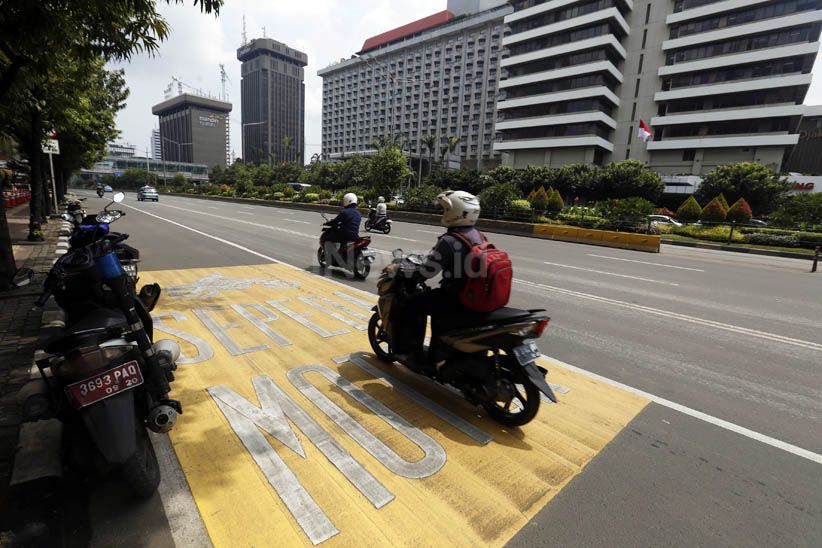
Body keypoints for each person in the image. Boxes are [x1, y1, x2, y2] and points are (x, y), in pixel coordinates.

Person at [385, 190, 483, 369]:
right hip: (473, 295)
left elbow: (426, 273)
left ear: (457, 213)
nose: (444, 213)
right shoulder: (478, 236)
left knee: (411, 304)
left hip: (455, 297)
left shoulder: (450, 240)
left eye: (446, 209)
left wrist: (398, 268)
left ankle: (412, 353)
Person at [323, 192, 362, 260]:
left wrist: (328, 223)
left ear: (346, 201)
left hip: (344, 235)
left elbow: (335, 221)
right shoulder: (358, 213)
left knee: (330, 238)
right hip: (355, 236)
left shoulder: (344, 212)